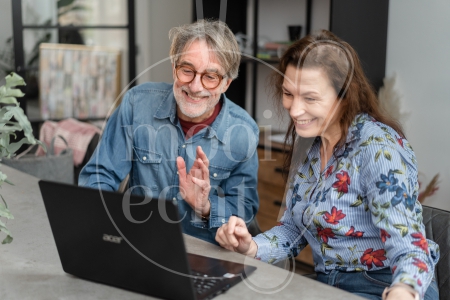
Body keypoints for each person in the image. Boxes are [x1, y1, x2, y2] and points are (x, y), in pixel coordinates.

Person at [216, 30, 439, 300]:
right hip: (329, 284)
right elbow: (293, 230)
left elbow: (411, 249)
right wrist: (250, 246)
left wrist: (403, 291)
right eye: (288, 93)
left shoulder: (379, 149)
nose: (295, 110)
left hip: (384, 283)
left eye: (310, 98)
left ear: (345, 95)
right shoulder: (310, 144)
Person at [79, 19, 259, 245]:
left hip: (204, 254)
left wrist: (206, 207)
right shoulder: (137, 104)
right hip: (138, 242)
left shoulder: (244, 132)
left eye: (210, 77)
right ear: (174, 68)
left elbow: (244, 209)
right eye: (187, 70)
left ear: (226, 83)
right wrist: (103, 224)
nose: (195, 86)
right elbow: (100, 174)